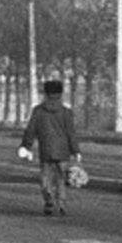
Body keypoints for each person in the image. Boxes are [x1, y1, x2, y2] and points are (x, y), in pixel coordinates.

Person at [20, 79, 80, 216]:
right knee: (60, 178)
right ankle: (62, 203)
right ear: (61, 93)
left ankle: (48, 199)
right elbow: (71, 133)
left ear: (45, 94)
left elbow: (31, 130)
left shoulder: (38, 111)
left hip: (46, 150)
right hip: (63, 151)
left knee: (45, 177)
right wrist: (76, 151)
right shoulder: (66, 112)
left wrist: (26, 146)